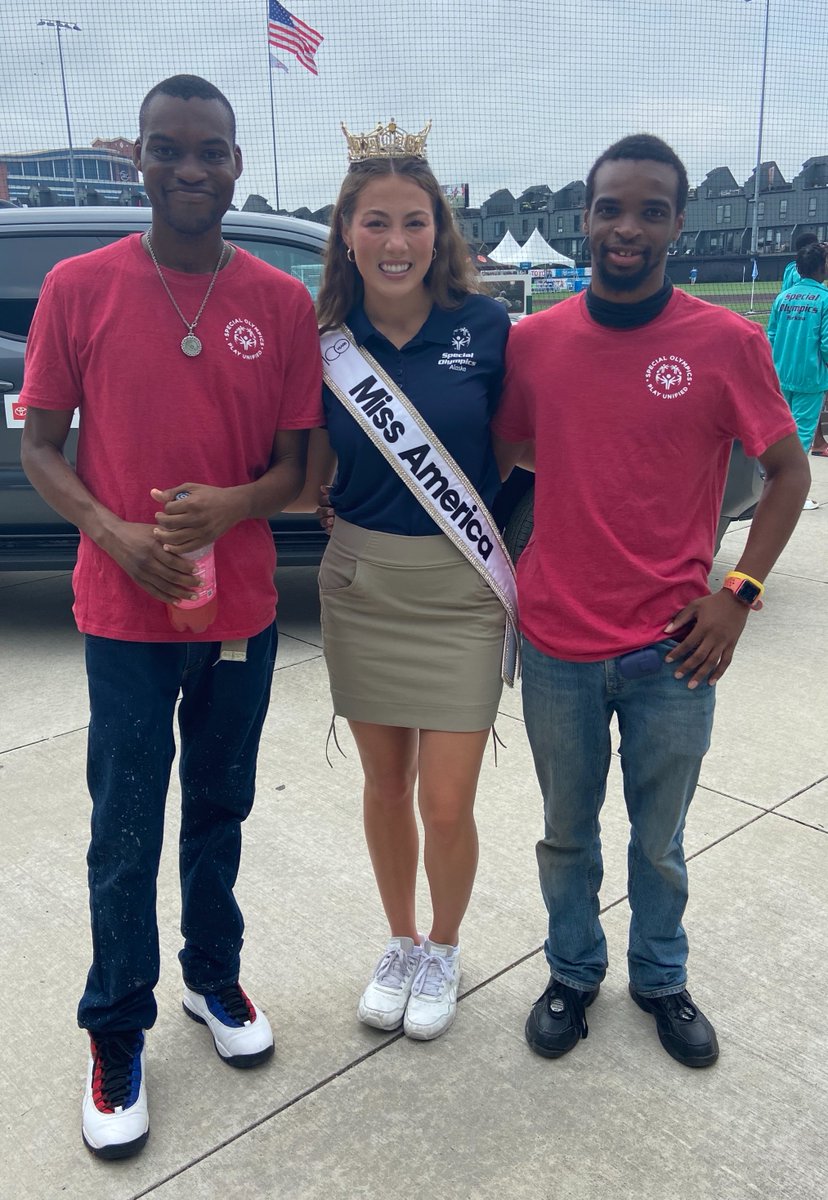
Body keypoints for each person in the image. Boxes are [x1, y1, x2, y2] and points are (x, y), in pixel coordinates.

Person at [20, 75, 322, 1158]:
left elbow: (297, 470)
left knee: (220, 806)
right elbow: (40, 448)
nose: (190, 168)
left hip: (239, 612)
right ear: (138, 160)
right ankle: (115, 1029)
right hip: (124, 613)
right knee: (125, 825)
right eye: (167, 148)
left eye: (211, 151)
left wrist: (233, 507)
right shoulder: (78, 287)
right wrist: (116, 534)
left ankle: (212, 976)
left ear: (238, 164)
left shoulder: (280, 304)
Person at [492, 134, 809, 1070]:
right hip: (557, 642)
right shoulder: (535, 343)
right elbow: (500, 459)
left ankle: (661, 977)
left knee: (660, 841)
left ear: (677, 224)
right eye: (610, 209)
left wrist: (738, 593)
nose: (627, 228)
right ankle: (571, 972)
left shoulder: (728, 343)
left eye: (651, 211)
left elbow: (788, 473)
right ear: (584, 219)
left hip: (676, 649)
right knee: (566, 834)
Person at [291, 121, 511, 1042]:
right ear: (346, 231)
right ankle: (401, 940)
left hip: (461, 592)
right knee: (386, 788)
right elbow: (305, 470)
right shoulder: (323, 340)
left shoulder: (486, 327)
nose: (395, 241)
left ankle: (445, 946)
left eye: (414, 221)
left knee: (447, 801)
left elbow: (518, 452)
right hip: (363, 587)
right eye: (374, 221)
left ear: (439, 230)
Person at [768, 240, 828, 496]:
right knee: (801, 438)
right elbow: (826, 344)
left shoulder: (783, 298)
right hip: (810, 378)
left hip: (781, 374)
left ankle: (769, 483)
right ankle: (789, 496)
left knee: (779, 433)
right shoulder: (824, 299)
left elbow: (771, 336)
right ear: (821, 267)